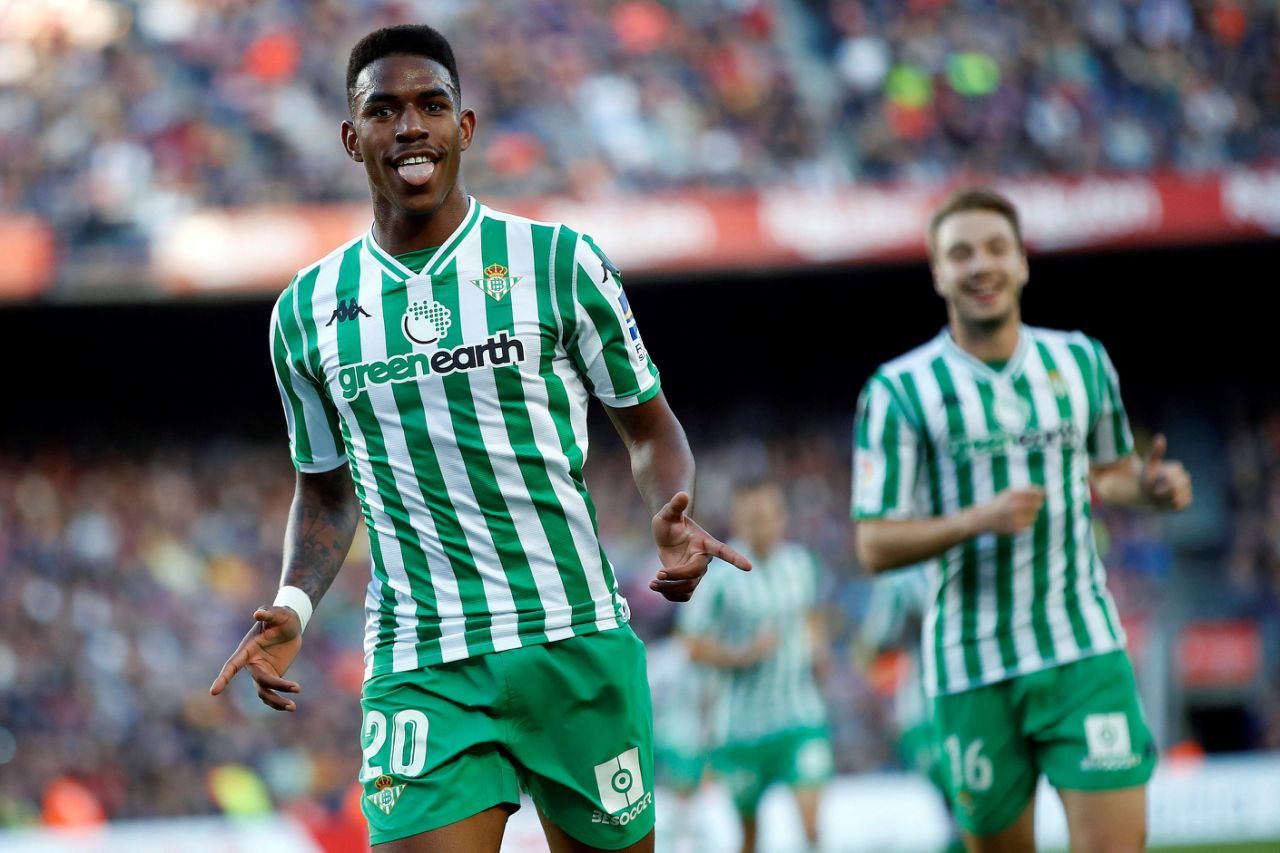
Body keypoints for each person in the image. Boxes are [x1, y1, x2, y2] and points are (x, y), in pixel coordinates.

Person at [209, 24, 750, 853]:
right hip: (425, 659)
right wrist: (293, 601)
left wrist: (668, 511)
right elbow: (324, 484)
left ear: (465, 126)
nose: (411, 126)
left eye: (431, 104)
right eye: (384, 111)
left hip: (573, 637)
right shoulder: (305, 311)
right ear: (354, 140)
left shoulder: (559, 261)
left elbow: (648, 425)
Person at [853, 187, 1193, 853]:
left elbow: (1107, 470)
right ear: (937, 272)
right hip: (971, 666)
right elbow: (873, 542)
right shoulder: (898, 390)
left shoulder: (1081, 360)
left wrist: (1147, 487)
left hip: (1082, 649)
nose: (981, 265)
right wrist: (975, 518)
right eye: (961, 253)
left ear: (1022, 263)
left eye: (996, 248)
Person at [678, 480, 832, 853]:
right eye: (752, 517)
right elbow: (692, 644)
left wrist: (818, 650)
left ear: (782, 517)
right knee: (749, 837)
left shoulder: (800, 564)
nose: (761, 525)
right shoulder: (719, 577)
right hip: (741, 729)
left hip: (800, 717)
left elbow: (813, 614)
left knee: (812, 826)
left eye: (768, 515)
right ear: (738, 521)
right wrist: (741, 655)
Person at [857, 567, 963, 853]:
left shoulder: (901, 575)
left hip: (929, 708)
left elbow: (875, 642)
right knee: (968, 803)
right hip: (950, 701)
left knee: (962, 804)